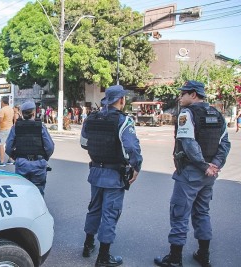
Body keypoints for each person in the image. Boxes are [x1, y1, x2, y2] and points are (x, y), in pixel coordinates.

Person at [154, 81, 231, 267]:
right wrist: (215, 165)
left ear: (194, 94)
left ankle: (174, 259)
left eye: (183, 93)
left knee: (179, 213)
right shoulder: (218, 115)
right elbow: (225, 144)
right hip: (209, 176)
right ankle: (203, 255)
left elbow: (189, 144)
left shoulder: (187, 114)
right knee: (202, 212)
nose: (180, 97)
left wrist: (204, 165)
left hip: (191, 173)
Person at [80, 85, 142, 267]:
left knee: (94, 209)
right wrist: (136, 166)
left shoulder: (91, 118)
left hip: (95, 172)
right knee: (110, 213)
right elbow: (131, 148)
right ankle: (103, 257)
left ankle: (88, 245)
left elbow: (84, 143)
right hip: (114, 175)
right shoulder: (123, 121)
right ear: (121, 100)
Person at [5, 100, 55, 196]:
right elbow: (50, 147)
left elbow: (8, 148)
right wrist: (44, 157)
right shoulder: (40, 127)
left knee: (22, 193)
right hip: (38, 164)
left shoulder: (16, 127)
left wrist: (16, 157)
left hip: (22, 163)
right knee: (38, 193)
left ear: (22, 113)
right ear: (34, 113)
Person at [0, 96, 14, 166]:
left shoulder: (2, 110)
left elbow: (0, 121)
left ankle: (2, 161)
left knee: (1, 145)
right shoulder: (11, 109)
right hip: (11, 128)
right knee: (10, 144)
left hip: (4, 129)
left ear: (2, 102)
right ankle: (11, 159)